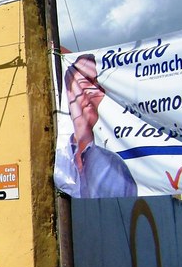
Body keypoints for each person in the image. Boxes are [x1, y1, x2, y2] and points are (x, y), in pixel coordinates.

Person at [54, 53, 137, 198]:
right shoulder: (58, 157)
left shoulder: (114, 167)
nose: (91, 92)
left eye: (94, 84)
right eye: (83, 83)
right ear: (68, 92)